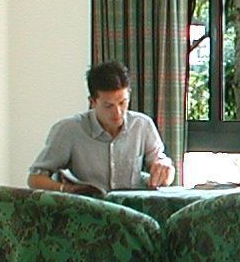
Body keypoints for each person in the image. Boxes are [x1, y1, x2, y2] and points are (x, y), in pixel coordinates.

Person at [28, 60, 175, 195]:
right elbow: (35, 178)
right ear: (92, 102)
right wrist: (68, 190)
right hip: (88, 209)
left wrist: (164, 170)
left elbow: (162, 166)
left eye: (123, 102)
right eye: (108, 106)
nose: (118, 112)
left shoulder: (142, 125)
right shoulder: (69, 130)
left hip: (132, 209)